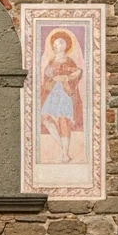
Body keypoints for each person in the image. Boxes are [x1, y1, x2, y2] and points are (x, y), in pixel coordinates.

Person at [40, 29, 84, 164]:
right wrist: (52, 79)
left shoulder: (68, 60)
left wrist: (65, 77)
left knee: (63, 120)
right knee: (45, 118)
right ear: (54, 46)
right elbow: (47, 77)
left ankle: (64, 154)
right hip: (54, 93)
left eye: (62, 42)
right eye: (58, 43)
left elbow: (78, 71)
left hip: (65, 93)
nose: (60, 44)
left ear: (66, 46)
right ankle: (63, 149)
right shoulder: (52, 61)